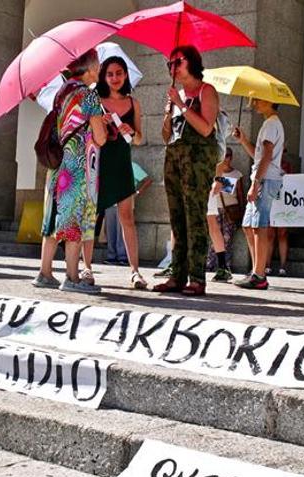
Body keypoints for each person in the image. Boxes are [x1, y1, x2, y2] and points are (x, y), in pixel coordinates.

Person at [33, 49, 107, 294]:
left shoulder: (62, 92)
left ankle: (45, 272)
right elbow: (100, 137)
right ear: (87, 67)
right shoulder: (88, 95)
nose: (100, 68)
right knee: (74, 217)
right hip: (76, 166)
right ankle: (72, 277)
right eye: (97, 63)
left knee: (54, 216)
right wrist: (103, 126)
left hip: (57, 166)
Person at [153, 45, 220, 296]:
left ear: (191, 62)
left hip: (197, 162)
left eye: (177, 62)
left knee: (194, 217)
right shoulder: (176, 94)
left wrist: (181, 104)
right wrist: (167, 114)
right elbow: (165, 136)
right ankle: (176, 276)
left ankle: (197, 278)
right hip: (175, 160)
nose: (172, 67)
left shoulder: (206, 91)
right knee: (176, 218)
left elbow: (205, 128)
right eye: (169, 64)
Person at [93, 55, 147, 289]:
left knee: (128, 218)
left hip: (123, 163)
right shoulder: (96, 101)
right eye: (110, 74)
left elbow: (139, 139)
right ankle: (86, 268)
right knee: (92, 217)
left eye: (119, 73)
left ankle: (135, 271)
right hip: (99, 163)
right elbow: (90, 135)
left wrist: (131, 131)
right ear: (104, 77)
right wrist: (100, 123)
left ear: (125, 75)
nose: (115, 78)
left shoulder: (134, 103)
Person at [232, 97, 284, 290]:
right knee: (249, 225)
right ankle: (256, 270)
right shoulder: (269, 124)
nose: (254, 102)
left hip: (265, 179)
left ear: (270, 101)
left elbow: (267, 156)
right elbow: (260, 155)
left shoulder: (271, 124)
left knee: (258, 226)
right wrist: (243, 140)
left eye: (258, 99)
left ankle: (259, 274)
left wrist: (256, 183)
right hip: (265, 177)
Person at [206, 147, 244, 281]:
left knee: (227, 238)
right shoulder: (213, 170)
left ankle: (224, 266)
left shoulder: (236, 174)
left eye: (228, 156)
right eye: (224, 156)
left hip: (229, 209)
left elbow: (238, 193)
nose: (225, 159)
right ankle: (210, 264)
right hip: (216, 207)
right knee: (213, 236)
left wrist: (220, 182)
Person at [265, 151, 293, 276]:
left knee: (283, 234)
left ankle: (283, 266)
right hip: (270, 201)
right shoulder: (267, 165)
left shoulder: (287, 165)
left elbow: (293, 184)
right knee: (270, 234)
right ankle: (267, 265)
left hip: (283, 202)